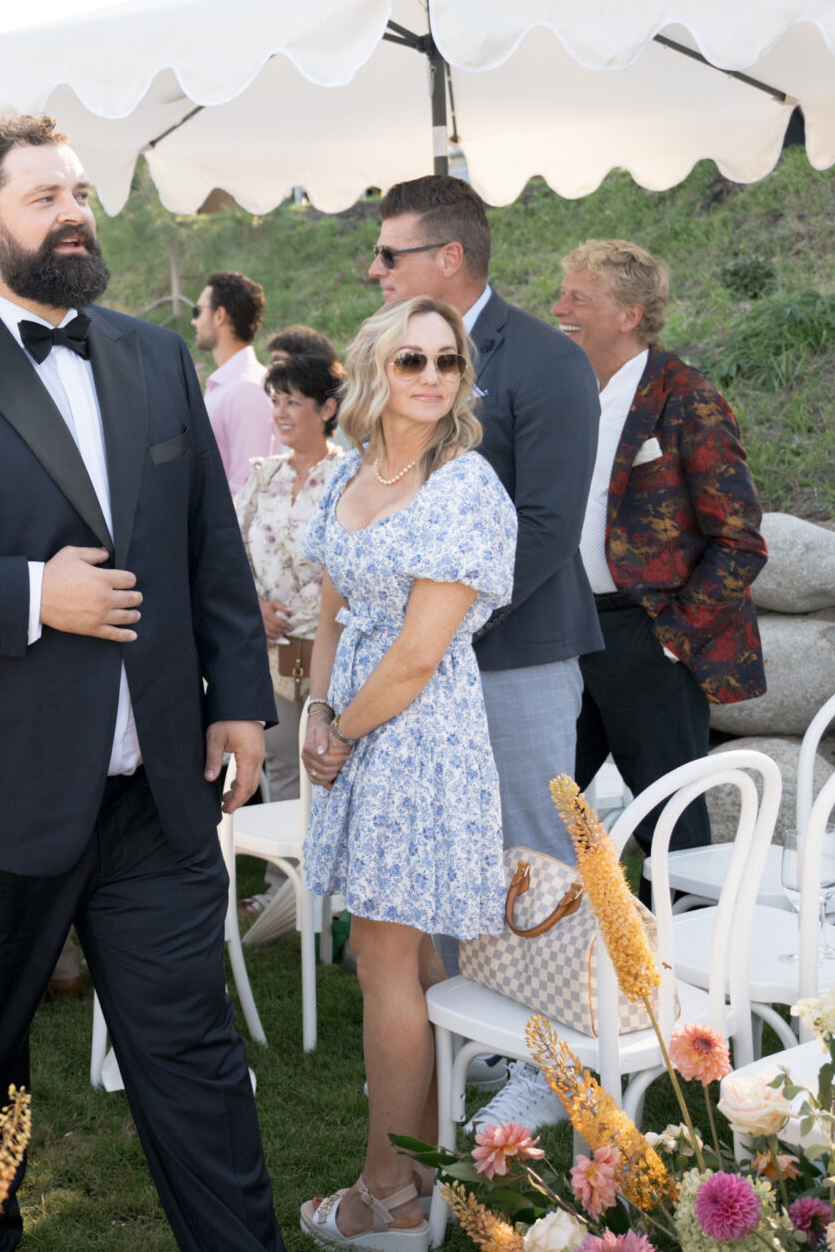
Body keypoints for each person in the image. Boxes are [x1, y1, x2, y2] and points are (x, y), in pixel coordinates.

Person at [0, 114, 282, 1252]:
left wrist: (237, 694)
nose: (73, 210)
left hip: (155, 793)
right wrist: (34, 593)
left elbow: (206, 545)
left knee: (193, 1060)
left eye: (78, 190)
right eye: (44, 197)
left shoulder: (151, 354)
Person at [366, 174, 598, 1134]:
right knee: (459, 863)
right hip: (424, 662)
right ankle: (480, 1037)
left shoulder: (544, 361)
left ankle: (552, 1065)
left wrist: (447, 629)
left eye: (390, 254)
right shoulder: (400, 355)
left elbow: (546, 526)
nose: (372, 270)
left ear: (448, 258)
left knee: (535, 863)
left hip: (516, 656)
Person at [294, 297, 515, 1252]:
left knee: (382, 957)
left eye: (449, 361)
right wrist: (312, 709)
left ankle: (384, 1194)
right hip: (351, 721)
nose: (432, 376)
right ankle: (421, 1172)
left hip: (418, 740)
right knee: (401, 959)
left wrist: (339, 729)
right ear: (376, 368)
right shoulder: (345, 475)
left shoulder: (465, 489)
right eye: (412, 359)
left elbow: (421, 654)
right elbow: (332, 611)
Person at [551, 240, 767, 853]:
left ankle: (695, 946)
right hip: (569, 632)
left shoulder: (687, 397)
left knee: (675, 836)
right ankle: (543, 943)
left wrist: (671, 639)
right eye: (564, 292)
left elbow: (740, 542)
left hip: (649, 640)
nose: (559, 306)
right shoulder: (566, 394)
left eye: (577, 297)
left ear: (629, 315)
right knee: (540, 807)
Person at [233, 349, 346, 813]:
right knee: (279, 767)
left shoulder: (351, 476)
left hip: (336, 655)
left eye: (293, 401)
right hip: (271, 654)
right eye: (275, 400)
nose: (280, 412)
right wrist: (253, 607)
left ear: (327, 409)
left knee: (334, 769)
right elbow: (227, 557)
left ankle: (329, 885)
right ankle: (284, 885)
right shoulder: (263, 476)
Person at [196, 270, 281, 472]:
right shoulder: (230, 385)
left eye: (197, 312)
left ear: (219, 315)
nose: (194, 321)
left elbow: (250, 480)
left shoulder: (247, 388)